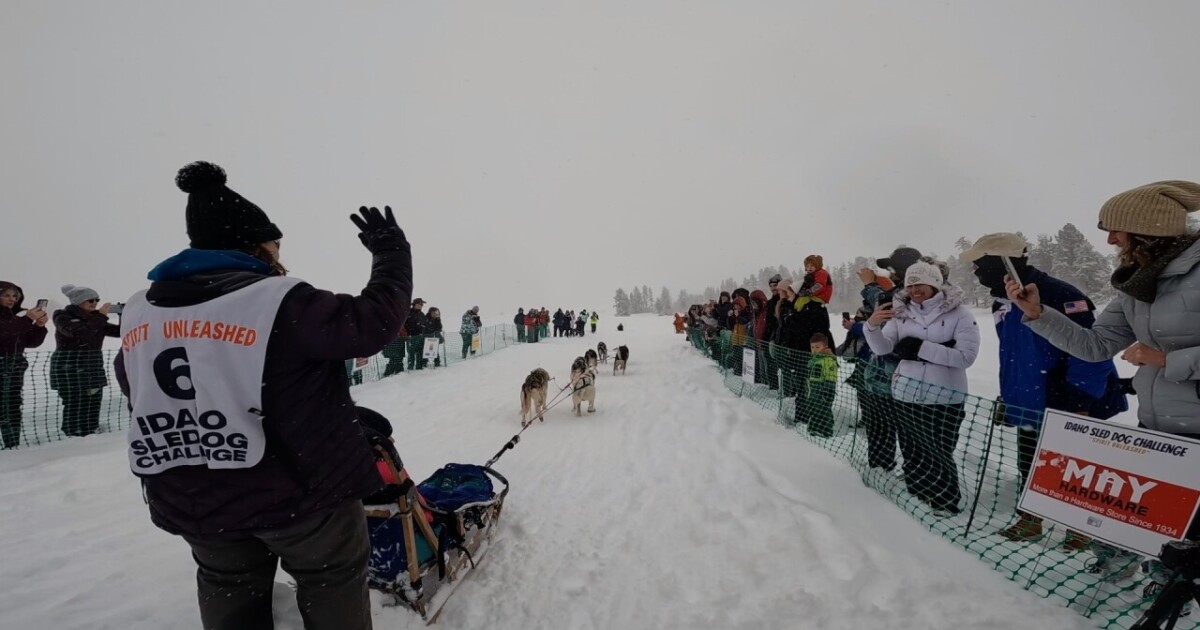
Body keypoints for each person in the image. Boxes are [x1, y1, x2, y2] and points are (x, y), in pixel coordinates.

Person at [114, 161, 412, 630]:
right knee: (331, 578)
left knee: (227, 586)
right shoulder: (280, 300)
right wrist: (392, 253)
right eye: (275, 243)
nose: (279, 253)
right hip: (298, 498)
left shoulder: (140, 313)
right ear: (254, 246)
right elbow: (374, 321)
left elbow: (139, 388)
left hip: (194, 497)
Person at [1005, 180, 1200, 596]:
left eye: (1116, 229)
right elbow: (1095, 346)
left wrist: (1170, 360)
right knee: (1160, 524)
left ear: (1148, 229)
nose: (1110, 239)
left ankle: (1177, 594)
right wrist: (1039, 314)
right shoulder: (1138, 282)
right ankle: (1164, 589)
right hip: (1158, 425)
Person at [962, 233, 1129, 553]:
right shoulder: (1003, 301)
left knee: (1071, 469)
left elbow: (1093, 354)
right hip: (1027, 400)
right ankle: (1030, 519)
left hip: (1068, 401)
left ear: (1004, 262)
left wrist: (1079, 400)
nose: (976, 273)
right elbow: (1014, 355)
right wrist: (1009, 397)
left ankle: (1079, 528)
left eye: (981, 264)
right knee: (1030, 462)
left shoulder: (1062, 294)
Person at [864, 260, 980, 516]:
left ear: (935, 284)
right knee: (912, 447)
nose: (916, 290)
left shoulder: (960, 314)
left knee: (939, 449)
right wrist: (871, 327)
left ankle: (945, 502)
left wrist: (920, 349)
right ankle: (917, 491)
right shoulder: (901, 313)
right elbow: (883, 348)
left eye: (921, 284)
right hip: (906, 392)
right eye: (911, 284)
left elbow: (966, 357)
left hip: (945, 396)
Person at [51, 284, 120, 437]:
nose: (94, 303)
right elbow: (79, 333)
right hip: (69, 368)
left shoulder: (94, 319)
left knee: (93, 402)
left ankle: (91, 432)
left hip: (92, 367)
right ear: (78, 301)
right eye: (90, 300)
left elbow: (119, 332)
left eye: (96, 299)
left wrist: (126, 316)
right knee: (75, 403)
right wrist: (101, 316)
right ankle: (73, 436)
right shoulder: (62, 316)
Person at [0, 282, 49, 448]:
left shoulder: (15, 319)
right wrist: (28, 319)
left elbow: (30, 342)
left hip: (14, 370)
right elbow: (4, 331)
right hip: (4, 369)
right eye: (6, 295)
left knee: (12, 407)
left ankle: (13, 444)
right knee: (5, 408)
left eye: (14, 296)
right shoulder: (16, 321)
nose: (11, 299)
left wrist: (39, 327)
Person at [805, 333, 838, 438]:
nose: (814, 350)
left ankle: (826, 431)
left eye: (818, 347)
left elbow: (831, 377)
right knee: (815, 410)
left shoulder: (828, 361)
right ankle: (815, 428)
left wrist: (827, 392)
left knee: (824, 412)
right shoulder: (815, 360)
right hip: (814, 391)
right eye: (812, 347)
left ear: (825, 347)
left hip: (823, 392)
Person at [405, 299, 428, 371]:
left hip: (421, 336)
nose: (420, 306)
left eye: (421, 304)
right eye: (419, 304)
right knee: (411, 353)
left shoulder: (422, 314)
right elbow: (406, 324)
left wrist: (423, 328)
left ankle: (419, 367)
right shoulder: (408, 313)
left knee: (420, 352)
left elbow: (425, 323)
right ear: (414, 304)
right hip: (411, 336)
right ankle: (410, 368)